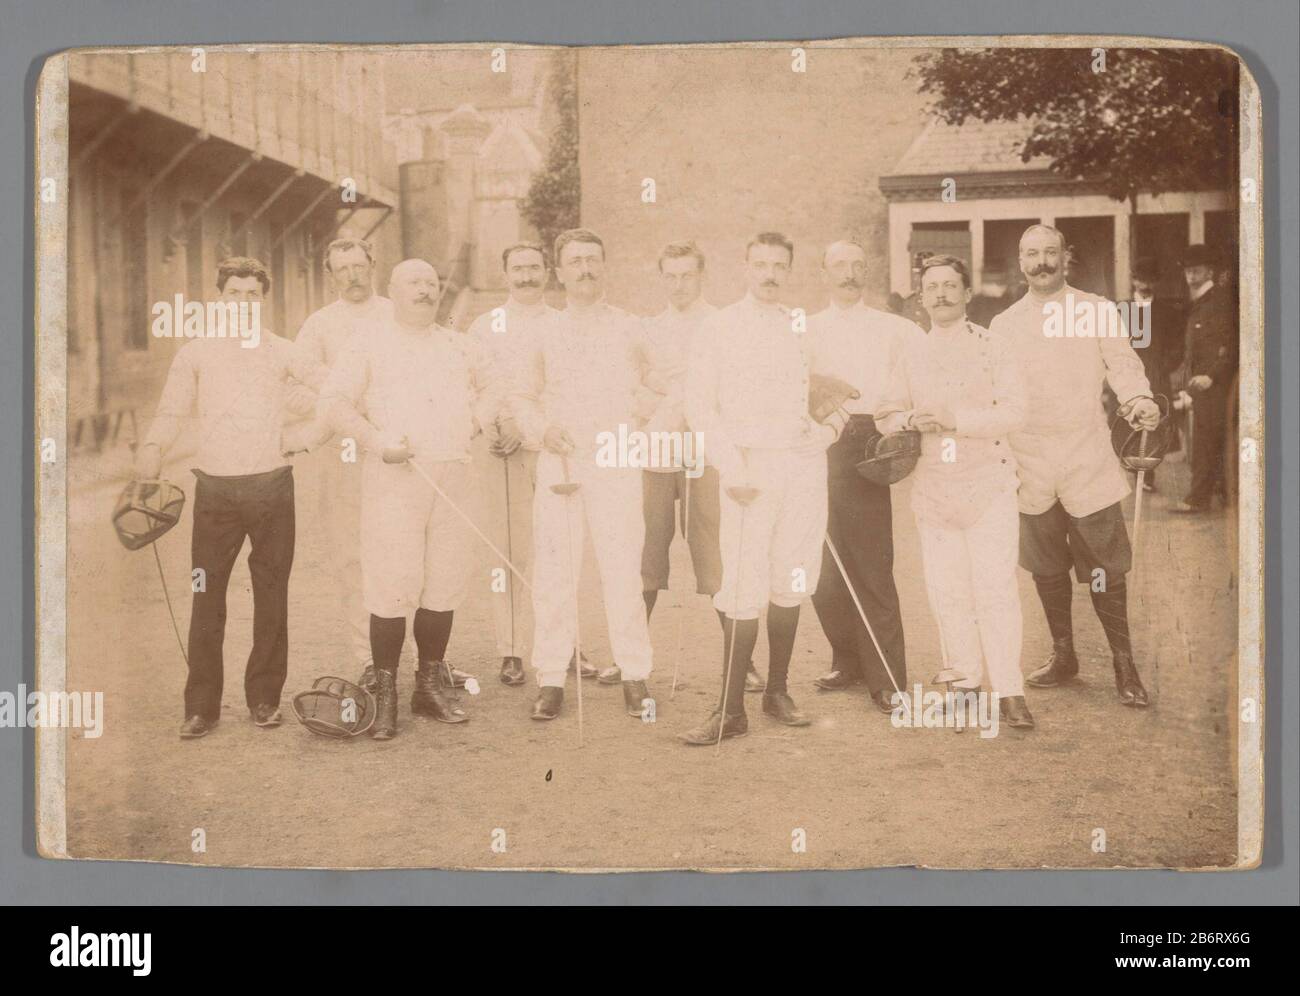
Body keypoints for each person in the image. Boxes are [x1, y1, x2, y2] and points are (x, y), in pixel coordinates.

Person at [134, 256, 331, 738]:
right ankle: (201, 707)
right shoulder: (196, 353)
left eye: (251, 294)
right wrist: (152, 451)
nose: (243, 302)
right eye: (234, 293)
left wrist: (306, 437)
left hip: (271, 489)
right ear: (219, 299)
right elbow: (172, 410)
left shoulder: (282, 351)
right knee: (206, 595)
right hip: (215, 491)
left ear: (262, 300)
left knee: (271, 596)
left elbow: (337, 393)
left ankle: (264, 699)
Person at [318, 259, 499, 739]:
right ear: (393, 292)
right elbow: (333, 403)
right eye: (413, 283)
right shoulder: (368, 344)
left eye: (431, 283)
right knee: (393, 583)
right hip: (395, 477)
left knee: (444, 579)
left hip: (454, 473)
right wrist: (378, 442)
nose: (424, 290)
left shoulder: (461, 347)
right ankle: (384, 692)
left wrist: (475, 423)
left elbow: (495, 389)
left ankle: (428, 684)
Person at [990, 225, 1161, 708]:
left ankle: (1123, 661)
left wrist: (1139, 400)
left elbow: (1122, 365)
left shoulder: (1095, 309)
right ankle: (1064, 654)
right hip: (1028, 461)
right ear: (1020, 262)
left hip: (1086, 454)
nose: (1041, 262)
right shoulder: (1003, 324)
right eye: (1030, 254)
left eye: (1049, 252)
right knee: (1046, 566)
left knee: (1106, 566)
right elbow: (994, 391)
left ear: (1065, 257)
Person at [679, 232, 839, 744]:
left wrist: (824, 433)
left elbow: (835, 397)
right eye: (761, 264)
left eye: (779, 265)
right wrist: (733, 467)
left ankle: (777, 691)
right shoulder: (719, 327)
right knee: (743, 583)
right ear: (745, 268)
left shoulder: (803, 327)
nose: (770, 273)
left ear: (789, 271)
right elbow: (700, 406)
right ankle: (729, 709)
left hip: (802, 469)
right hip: (748, 469)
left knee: (792, 575)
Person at [876, 254, 1034, 729]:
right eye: (932, 287)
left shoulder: (994, 346)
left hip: (988, 483)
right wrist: (908, 419)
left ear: (967, 294)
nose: (941, 294)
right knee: (948, 589)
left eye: (950, 285)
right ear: (921, 299)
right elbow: (885, 413)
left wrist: (956, 422)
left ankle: (1010, 691)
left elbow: (1015, 411)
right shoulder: (910, 352)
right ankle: (965, 685)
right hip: (935, 488)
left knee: (996, 589)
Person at [509, 228, 656, 721]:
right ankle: (550, 677)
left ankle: (634, 674)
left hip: (615, 457)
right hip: (562, 460)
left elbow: (662, 387)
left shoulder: (631, 327)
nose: (586, 269)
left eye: (593, 259)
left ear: (605, 265)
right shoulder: (544, 331)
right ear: (560, 271)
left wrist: (641, 421)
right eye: (575, 261)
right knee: (554, 572)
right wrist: (542, 429)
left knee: (621, 570)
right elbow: (523, 398)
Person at [807, 239, 921, 713]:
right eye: (839, 266)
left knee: (871, 563)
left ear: (867, 271)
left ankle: (888, 677)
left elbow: (927, 376)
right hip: (814, 444)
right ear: (823, 273)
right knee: (821, 566)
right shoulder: (804, 329)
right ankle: (848, 658)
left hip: (868, 442)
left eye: (857, 265)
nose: (849, 274)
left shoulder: (895, 329)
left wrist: (902, 426)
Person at [286, 238, 393, 685]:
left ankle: (423, 654)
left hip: (394, 447)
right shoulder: (319, 325)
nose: (352, 274)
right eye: (342, 268)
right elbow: (294, 388)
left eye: (358, 265)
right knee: (351, 554)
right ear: (330, 276)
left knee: (402, 548)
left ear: (374, 265)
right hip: (344, 450)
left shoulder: (395, 313)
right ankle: (369, 657)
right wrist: (339, 406)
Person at [466, 243, 559, 687]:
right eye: (517, 269)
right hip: (502, 446)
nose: (526, 277)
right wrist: (498, 425)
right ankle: (511, 648)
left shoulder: (561, 324)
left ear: (547, 272)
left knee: (557, 548)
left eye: (534, 268)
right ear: (504, 274)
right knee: (506, 550)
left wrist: (534, 427)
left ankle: (563, 643)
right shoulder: (485, 326)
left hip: (552, 446)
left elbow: (564, 389)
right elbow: (477, 384)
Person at [1172, 243, 1237, 514]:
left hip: (1216, 385)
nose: (1190, 276)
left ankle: (1198, 499)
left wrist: (1211, 376)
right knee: (1208, 440)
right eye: (1188, 271)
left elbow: (1231, 345)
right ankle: (1218, 493)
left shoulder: (1219, 302)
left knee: (1206, 441)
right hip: (1202, 385)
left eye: (1196, 271)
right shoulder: (1200, 303)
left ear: (1209, 271)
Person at [1128, 255, 1186, 494]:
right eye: (1141, 279)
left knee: (1154, 426)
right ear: (1133, 280)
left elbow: (1178, 346)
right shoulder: (1122, 308)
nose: (1145, 285)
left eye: (1150, 280)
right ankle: (1132, 470)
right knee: (1130, 424)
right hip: (1129, 377)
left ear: (1157, 282)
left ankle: (1147, 475)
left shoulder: (1167, 311)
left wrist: (1164, 366)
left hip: (1157, 376)